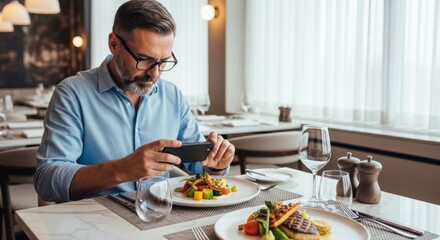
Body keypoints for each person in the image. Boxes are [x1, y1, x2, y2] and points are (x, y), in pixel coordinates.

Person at [34, 0, 235, 203]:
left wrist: (216, 162)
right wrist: (122, 170)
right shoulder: (71, 94)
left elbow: (198, 164)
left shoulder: (172, 96)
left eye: (163, 61)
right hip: (93, 224)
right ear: (114, 44)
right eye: (144, 59)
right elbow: (47, 180)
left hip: (159, 216)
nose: (155, 73)